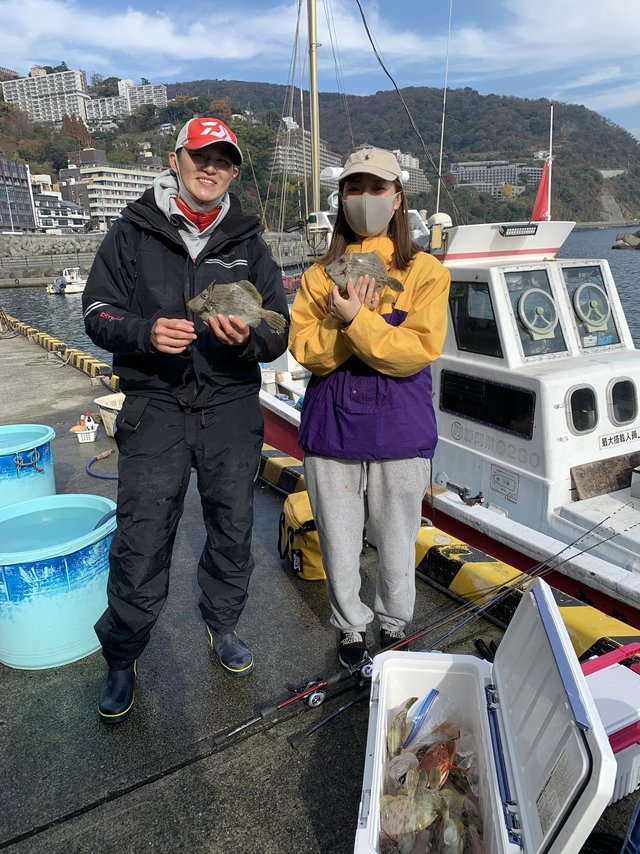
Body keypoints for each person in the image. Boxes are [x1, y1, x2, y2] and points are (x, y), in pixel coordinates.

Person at [83, 117, 290, 723]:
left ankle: (221, 625)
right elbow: (95, 313)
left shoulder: (249, 242)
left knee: (231, 528)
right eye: (201, 156)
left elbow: (277, 330)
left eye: (223, 161)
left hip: (229, 407)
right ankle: (122, 656)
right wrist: (144, 333)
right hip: (155, 406)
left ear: (232, 172)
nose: (211, 168)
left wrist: (244, 341)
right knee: (142, 535)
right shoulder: (131, 233)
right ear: (175, 161)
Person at [288, 147, 450, 670]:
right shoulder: (319, 275)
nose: (364, 199)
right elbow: (306, 349)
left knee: (398, 535)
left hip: (400, 425)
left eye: (376, 188)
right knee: (338, 536)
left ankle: (396, 620)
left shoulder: (425, 271)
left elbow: (415, 352)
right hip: (331, 424)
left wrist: (355, 317)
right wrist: (351, 320)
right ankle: (351, 626)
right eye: (353, 189)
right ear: (341, 199)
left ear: (398, 198)